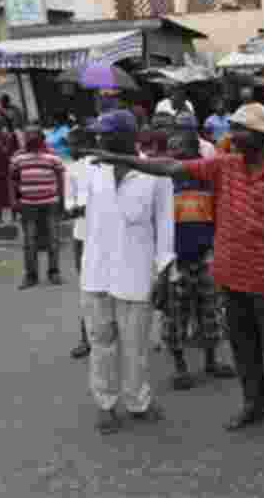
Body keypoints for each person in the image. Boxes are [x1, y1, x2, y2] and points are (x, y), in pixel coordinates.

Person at [87, 103, 264, 432]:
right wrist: (123, 160)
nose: (232, 136)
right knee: (243, 348)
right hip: (231, 276)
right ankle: (254, 405)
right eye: (232, 129)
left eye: (240, 130)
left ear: (261, 136)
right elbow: (171, 167)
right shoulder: (227, 166)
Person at [79, 110, 174, 433]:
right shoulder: (92, 171)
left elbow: (165, 226)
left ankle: (138, 401)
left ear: (125, 137)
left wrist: (164, 273)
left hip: (136, 273)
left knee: (136, 345)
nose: (99, 140)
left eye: (105, 135)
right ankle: (105, 404)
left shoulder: (155, 174)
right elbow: (84, 223)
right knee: (101, 342)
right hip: (96, 273)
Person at [155, 127, 237, 390]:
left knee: (210, 310)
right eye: (171, 146)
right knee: (175, 315)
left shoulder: (208, 180)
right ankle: (180, 368)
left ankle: (211, 362)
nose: (174, 151)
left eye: (179, 145)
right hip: (175, 258)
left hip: (206, 254)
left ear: (195, 150)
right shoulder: (164, 182)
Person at [11, 125, 65, 289]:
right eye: (27, 135)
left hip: (51, 203)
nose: (30, 138)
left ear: (41, 138)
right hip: (27, 205)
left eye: (33, 135)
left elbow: (60, 179)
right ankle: (31, 275)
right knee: (30, 241)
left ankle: (54, 271)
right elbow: (12, 181)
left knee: (53, 239)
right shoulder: (17, 158)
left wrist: (62, 200)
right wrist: (14, 200)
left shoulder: (52, 156)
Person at [66, 127, 95, 360]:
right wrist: (74, 208)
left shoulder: (101, 165)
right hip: (81, 235)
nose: (70, 148)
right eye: (69, 144)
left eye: (74, 143)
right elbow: (68, 200)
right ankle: (87, 338)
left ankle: (109, 335)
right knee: (86, 286)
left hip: (103, 234)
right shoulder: (71, 169)